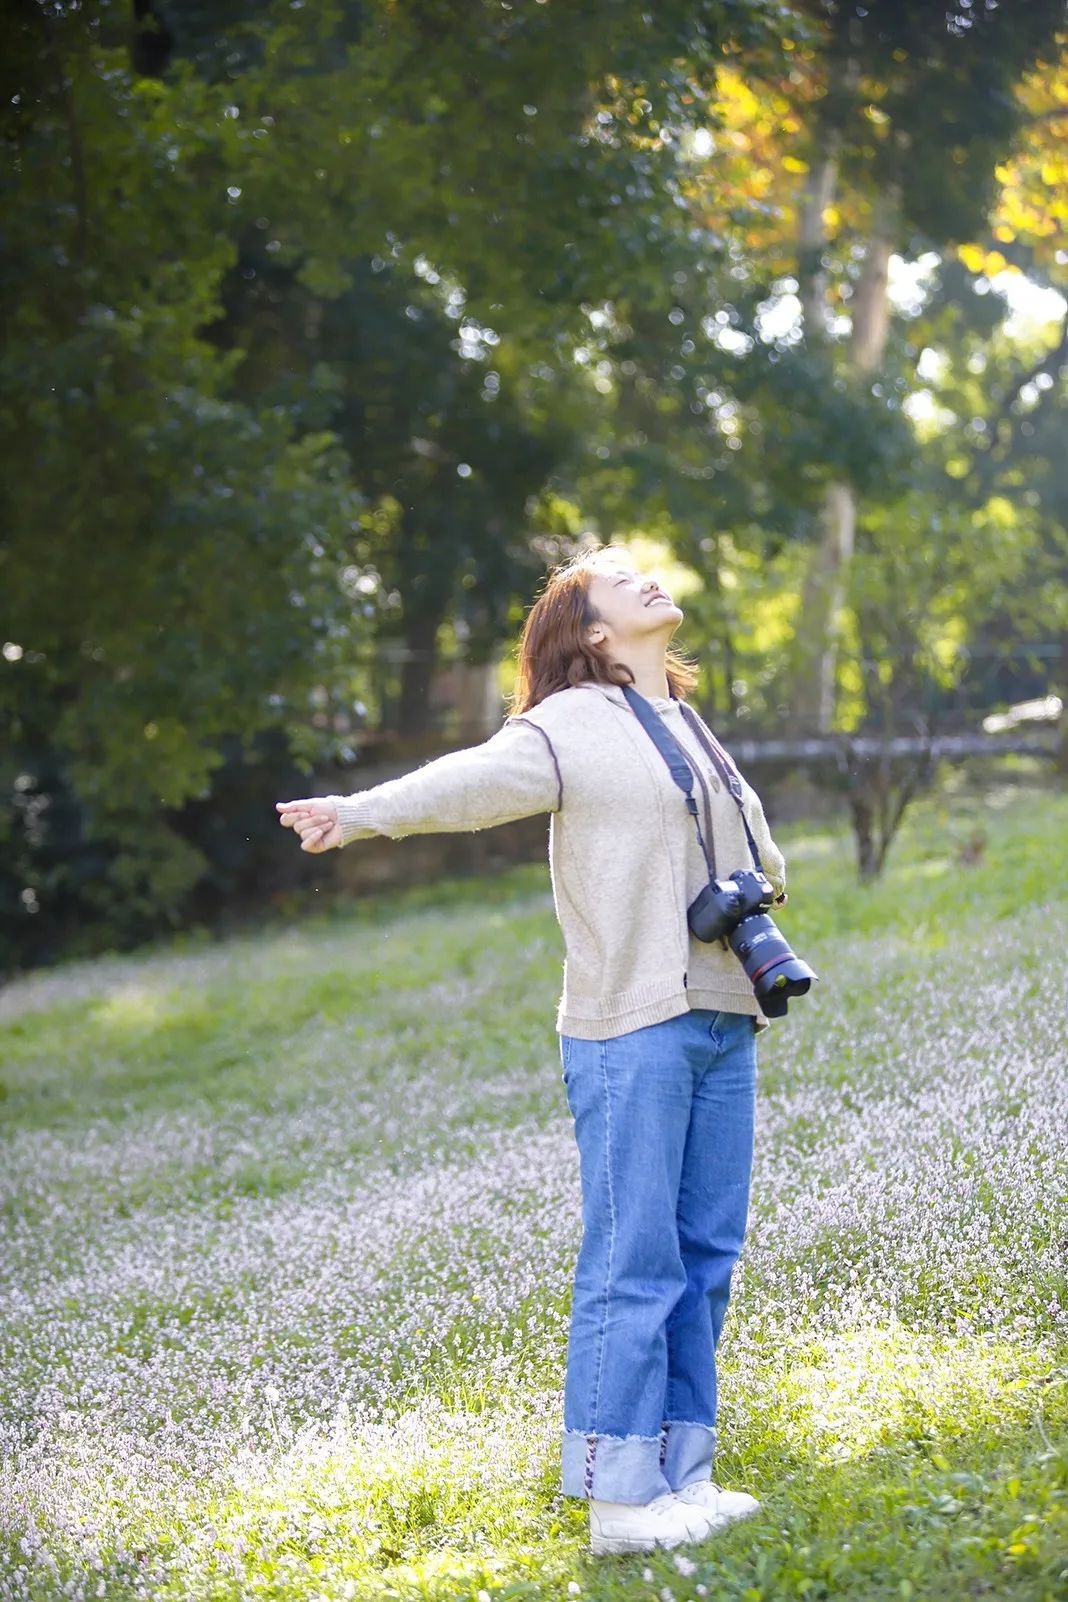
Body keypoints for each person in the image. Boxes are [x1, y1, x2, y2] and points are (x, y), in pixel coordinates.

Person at [276, 543, 788, 1556]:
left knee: (706, 1257)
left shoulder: (689, 723)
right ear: (592, 633)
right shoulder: (564, 726)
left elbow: (754, 855)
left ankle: (683, 1475)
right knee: (635, 1258)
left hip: (724, 1013)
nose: (648, 580)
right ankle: (617, 1497)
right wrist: (358, 813)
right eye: (620, 581)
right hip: (632, 1022)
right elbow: (467, 785)